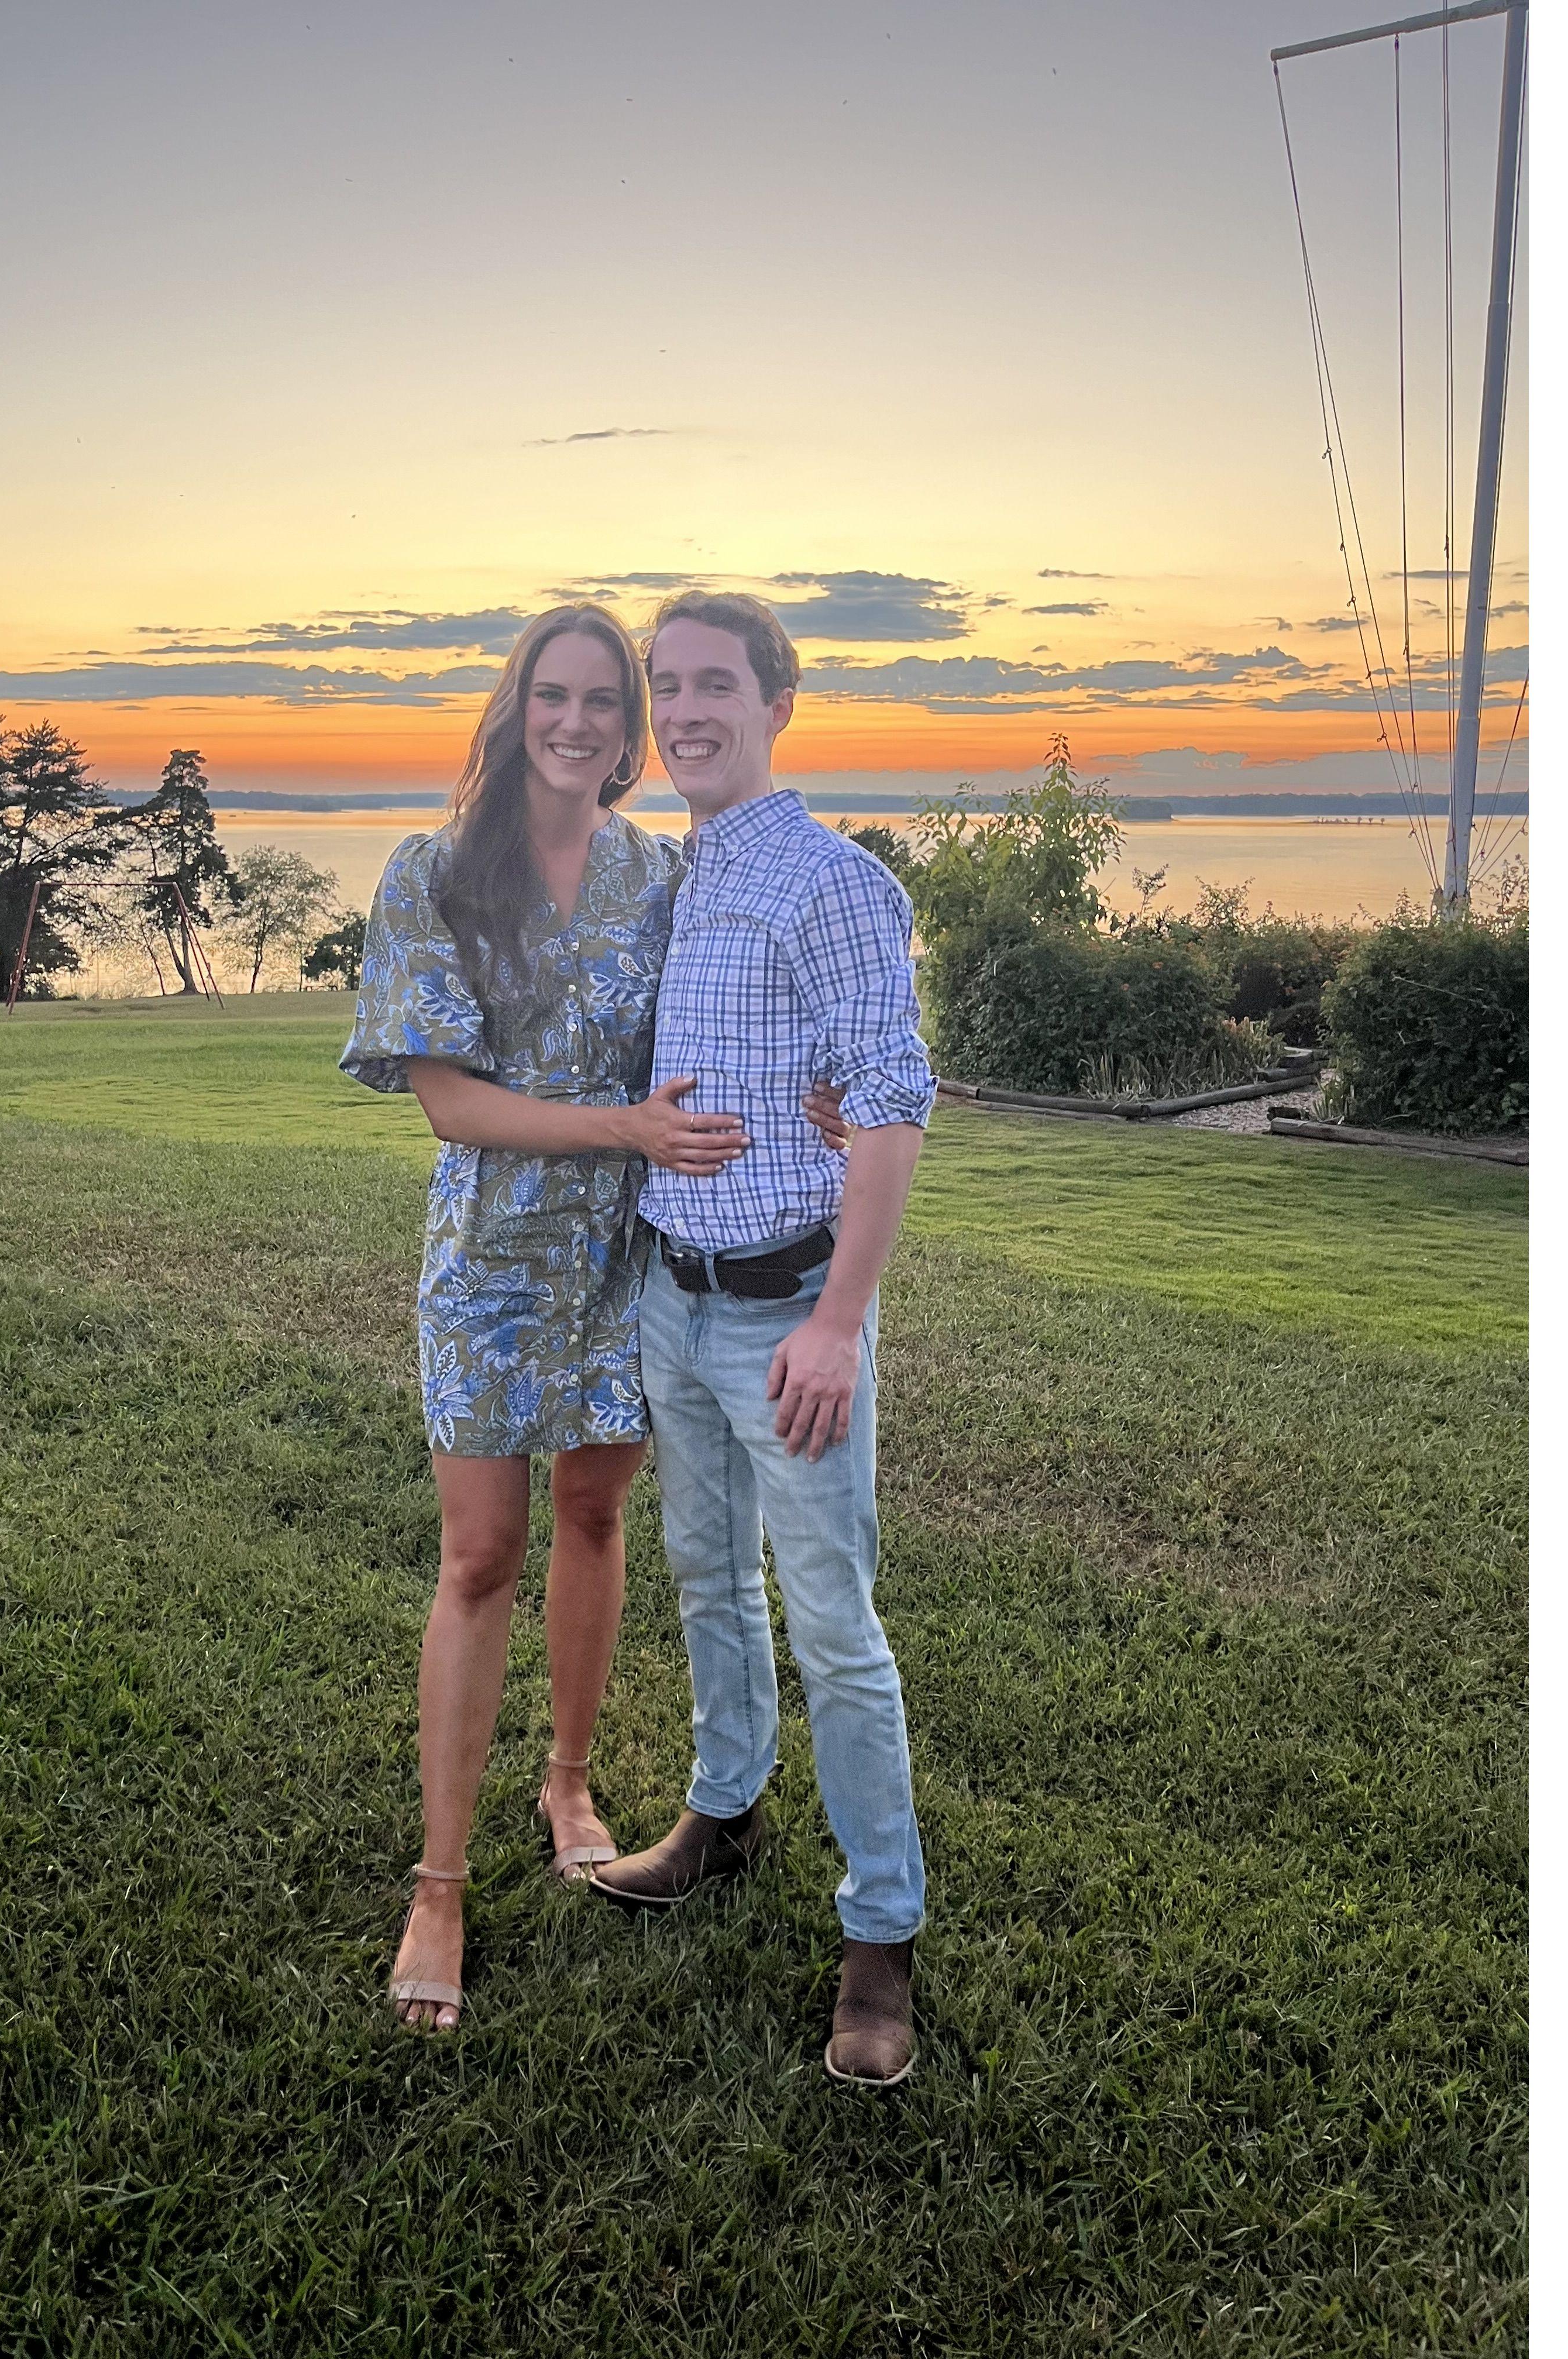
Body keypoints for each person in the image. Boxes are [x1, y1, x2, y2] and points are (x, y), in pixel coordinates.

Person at [340, 602, 844, 2034]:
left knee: (594, 1516)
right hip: (494, 1263)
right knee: (479, 1555)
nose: (578, 723)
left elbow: (738, 1025)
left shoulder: (663, 876)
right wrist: (624, 1125)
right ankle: (440, 1881)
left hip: (633, 1257)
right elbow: (449, 1102)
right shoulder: (437, 872)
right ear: (516, 710)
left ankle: (569, 1784)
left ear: (631, 729)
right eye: (553, 697)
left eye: (605, 702)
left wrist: (821, 1090)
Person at [587, 591, 936, 2091]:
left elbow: (895, 1100)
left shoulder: (835, 881)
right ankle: (722, 1813)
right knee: (707, 1581)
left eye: (714, 684)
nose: (684, 712)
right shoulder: (677, 879)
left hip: (791, 1317)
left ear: (778, 702)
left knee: (835, 1628)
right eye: (665, 686)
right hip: (673, 1301)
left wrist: (840, 1323)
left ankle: (881, 1934)